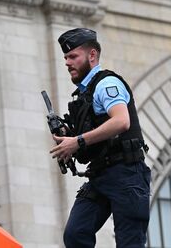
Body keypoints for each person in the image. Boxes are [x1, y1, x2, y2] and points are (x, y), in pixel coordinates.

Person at [49, 28, 151, 248]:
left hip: (127, 174)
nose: (67, 62)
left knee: (129, 244)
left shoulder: (106, 84)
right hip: (101, 175)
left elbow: (121, 121)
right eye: (66, 57)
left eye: (73, 56)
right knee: (75, 234)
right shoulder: (84, 93)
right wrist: (69, 137)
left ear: (92, 55)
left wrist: (78, 141)